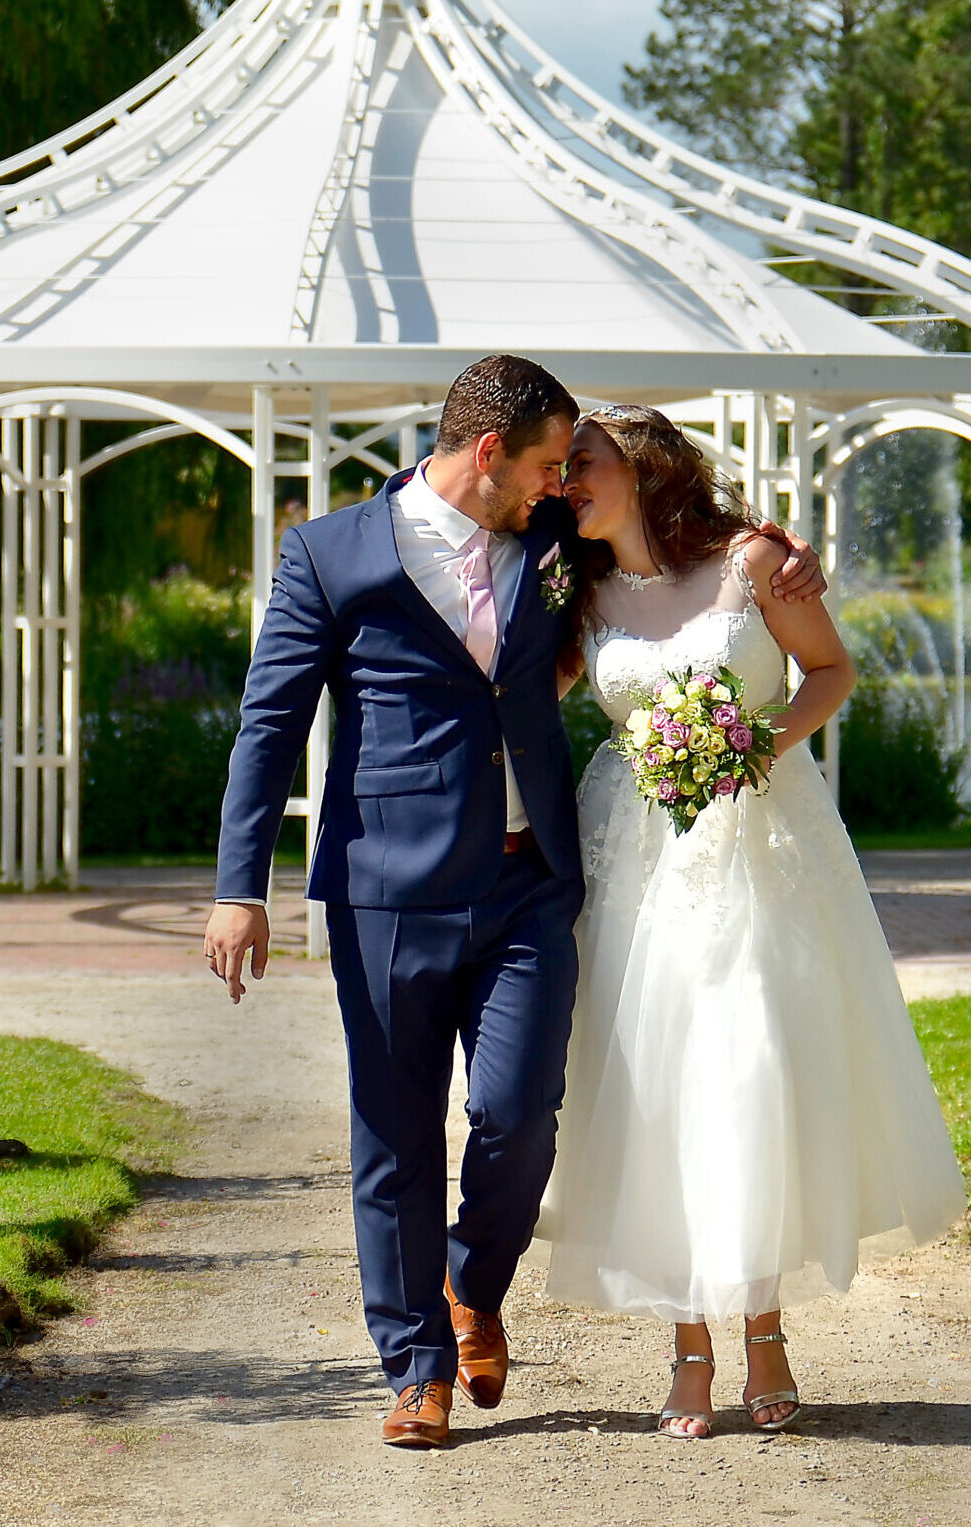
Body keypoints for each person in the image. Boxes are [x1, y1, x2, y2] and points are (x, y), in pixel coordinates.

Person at [202, 359, 825, 1449]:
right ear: (488, 454)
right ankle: (417, 1369)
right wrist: (236, 889)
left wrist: (776, 544)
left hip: (530, 878)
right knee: (395, 1134)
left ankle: (471, 1284)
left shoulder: (551, 544)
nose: (558, 486)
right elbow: (268, 722)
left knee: (518, 1115)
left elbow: (671, 541)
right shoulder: (330, 555)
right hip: (385, 888)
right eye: (545, 465)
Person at [537, 404, 969, 1439]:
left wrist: (747, 750)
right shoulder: (577, 586)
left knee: (750, 1071)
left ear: (641, 469)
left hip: (760, 846)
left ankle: (765, 1331)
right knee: (656, 1083)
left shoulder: (759, 561)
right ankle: (688, 1340)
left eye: (581, 464)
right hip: (633, 855)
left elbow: (832, 673)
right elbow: (525, 683)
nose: (565, 482)